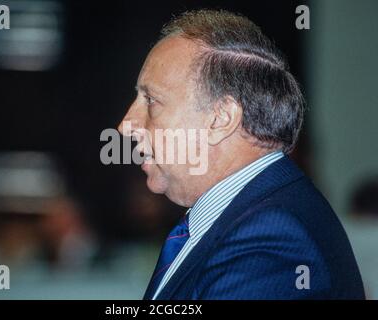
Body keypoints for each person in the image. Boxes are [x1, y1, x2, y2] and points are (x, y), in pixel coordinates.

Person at [117, 9, 364, 300]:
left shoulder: (271, 240)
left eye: (151, 100)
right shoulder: (252, 215)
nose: (125, 125)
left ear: (221, 119)